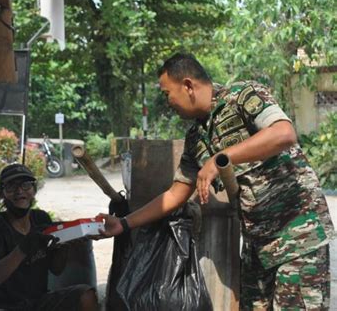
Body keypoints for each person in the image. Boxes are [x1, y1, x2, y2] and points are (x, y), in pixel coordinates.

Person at [98, 52, 334, 310]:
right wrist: (123, 224)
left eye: (167, 94)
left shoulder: (244, 95)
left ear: (188, 85)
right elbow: (176, 194)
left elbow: (283, 133)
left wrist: (220, 158)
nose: (168, 102)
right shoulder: (195, 138)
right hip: (258, 246)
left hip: (298, 235)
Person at [0, 163, 98, 311]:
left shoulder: (41, 218)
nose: (19, 191)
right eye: (11, 186)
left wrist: (64, 245)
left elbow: (56, 269)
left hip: (36, 301)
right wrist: (24, 247)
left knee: (86, 295)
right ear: (1, 193)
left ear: (34, 190)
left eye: (26, 185)